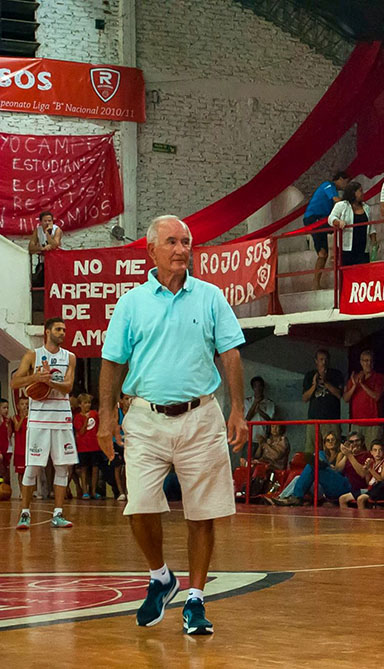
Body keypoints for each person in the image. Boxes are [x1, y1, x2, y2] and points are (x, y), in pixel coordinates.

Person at [98, 215, 248, 635]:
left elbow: (231, 353)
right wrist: (107, 417)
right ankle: (161, 577)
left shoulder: (211, 297)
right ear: (152, 251)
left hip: (201, 416)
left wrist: (238, 410)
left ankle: (196, 601)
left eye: (186, 242)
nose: (182, 249)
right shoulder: (132, 303)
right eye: (172, 242)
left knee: (202, 512)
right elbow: (112, 361)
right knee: (138, 508)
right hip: (145, 418)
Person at [11, 317, 77, 529]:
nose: (63, 333)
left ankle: (58, 514)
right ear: (47, 332)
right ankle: (24, 513)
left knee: (62, 467)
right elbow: (15, 382)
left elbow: (68, 387)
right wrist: (36, 378)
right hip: (39, 419)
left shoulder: (70, 357)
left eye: (64, 330)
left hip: (62, 418)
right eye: (58, 329)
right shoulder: (33, 355)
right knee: (33, 468)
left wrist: (49, 382)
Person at [277, 432, 354, 507]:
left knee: (314, 463)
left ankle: (295, 497)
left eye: (333, 440)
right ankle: (281, 498)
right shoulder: (325, 454)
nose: (330, 442)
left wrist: (347, 454)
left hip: (337, 484)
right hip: (323, 486)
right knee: (299, 477)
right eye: (328, 440)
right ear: (325, 444)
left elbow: (338, 470)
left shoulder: (341, 453)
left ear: (337, 442)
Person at [303, 173, 350, 290]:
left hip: (321, 219)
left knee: (323, 254)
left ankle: (316, 283)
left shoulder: (332, 189)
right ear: (339, 179)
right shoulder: (328, 185)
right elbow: (336, 201)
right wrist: (351, 205)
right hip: (315, 218)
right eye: (346, 181)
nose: (346, 185)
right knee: (340, 226)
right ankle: (336, 254)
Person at [344, 349, 384, 446]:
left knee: (373, 452)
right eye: (366, 361)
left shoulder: (379, 377)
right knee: (355, 451)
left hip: (373, 424)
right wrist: (354, 386)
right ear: (361, 362)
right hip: (356, 423)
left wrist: (362, 384)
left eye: (371, 361)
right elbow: (346, 399)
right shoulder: (354, 378)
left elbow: (376, 396)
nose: (368, 363)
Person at [302, 349, 344, 443]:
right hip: (314, 419)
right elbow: (305, 398)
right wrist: (314, 385)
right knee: (312, 450)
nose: (324, 362)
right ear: (316, 361)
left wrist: (325, 382)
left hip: (331, 419)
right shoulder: (310, 375)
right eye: (321, 359)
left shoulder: (336, 374)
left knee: (332, 448)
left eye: (326, 359)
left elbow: (339, 394)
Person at [328, 181, 374, 268]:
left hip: (363, 249)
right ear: (353, 193)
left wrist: (374, 241)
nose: (362, 193)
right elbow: (331, 218)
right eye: (360, 191)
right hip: (346, 249)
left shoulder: (366, 207)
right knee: (346, 275)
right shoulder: (341, 205)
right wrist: (338, 222)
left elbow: (371, 226)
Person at [74, 393, 102, 500]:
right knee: (83, 469)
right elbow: (81, 431)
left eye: (89, 403)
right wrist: (86, 419)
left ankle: (94, 491)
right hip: (83, 447)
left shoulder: (95, 414)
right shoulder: (77, 417)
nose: (87, 405)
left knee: (95, 468)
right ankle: (85, 491)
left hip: (95, 446)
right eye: (85, 403)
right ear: (80, 405)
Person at [243, 376, 275, 459]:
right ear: (253, 388)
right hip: (249, 438)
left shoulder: (269, 403)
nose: (258, 389)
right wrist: (255, 403)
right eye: (255, 386)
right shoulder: (247, 401)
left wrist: (259, 411)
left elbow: (270, 419)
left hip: (263, 439)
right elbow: (247, 418)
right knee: (246, 463)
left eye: (260, 386)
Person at [28, 211, 62, 286]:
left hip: (56, 261)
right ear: (40, 222)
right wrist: (41, 248)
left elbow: (55, 245)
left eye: (49, 221)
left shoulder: (57, 230)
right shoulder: (37, 230)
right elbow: (31, 247)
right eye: (45, 221)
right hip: (44, 261)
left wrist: (47, 233)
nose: (47, 223)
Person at [355, 438, 384, 509]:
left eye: (380, 450)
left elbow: (381, 480)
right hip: (370, 489)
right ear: (371, 452)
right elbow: (368, 482)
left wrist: (370, 469)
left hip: (380, 490)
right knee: (343, 498)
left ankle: (363, 520)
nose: (378, 453)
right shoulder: (372, 462)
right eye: (375, 450)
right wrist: (367, 471)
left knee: (360, 499)